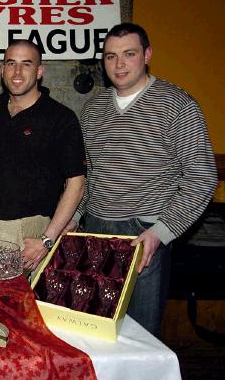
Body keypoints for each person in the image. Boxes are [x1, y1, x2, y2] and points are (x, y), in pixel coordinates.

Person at [65, 23, 218, 337]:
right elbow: (88, 172)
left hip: (144, 234)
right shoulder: (92, 108)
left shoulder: (176, 105)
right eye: (110, 56)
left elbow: (202, 176)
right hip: (95, 230)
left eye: (129, 54)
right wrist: (75, 216)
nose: (119, 64)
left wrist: (160, 232)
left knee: (140, 336)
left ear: (147, 55)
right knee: (91, 328)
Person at [0, 40, 86, 273]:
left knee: (21, 307)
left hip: (30, 233)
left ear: (40, 71)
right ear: (2, 69)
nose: (17, 72)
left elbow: (77, 183)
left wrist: (47, 240)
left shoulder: (60, 118)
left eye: (26, 64)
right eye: (11, 63)